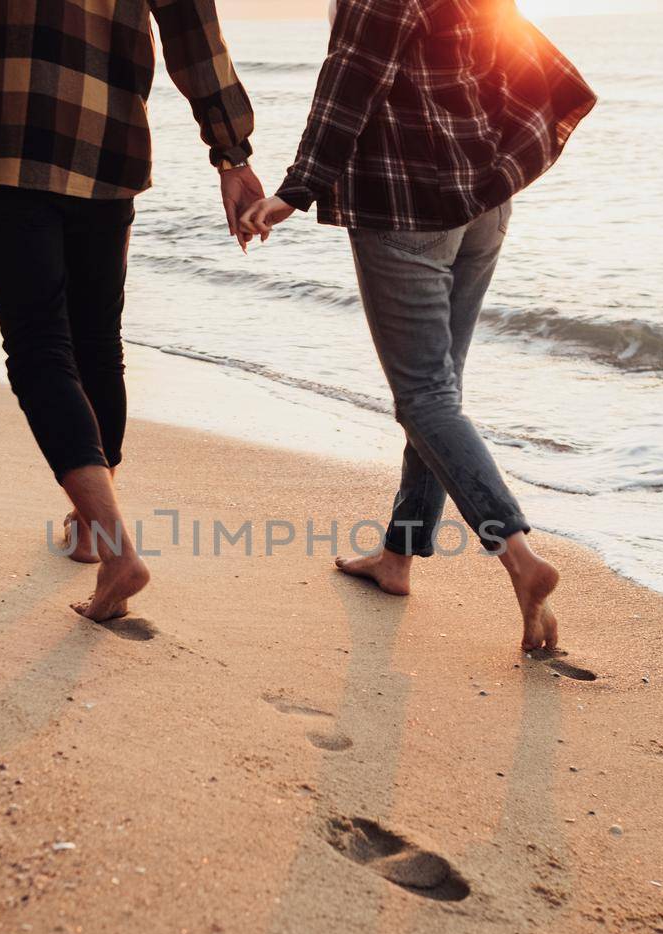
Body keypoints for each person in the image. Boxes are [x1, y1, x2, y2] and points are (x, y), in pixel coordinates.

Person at [0, 0, 265, 623]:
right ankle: (90, 531)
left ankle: (113, 548)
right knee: (95, 343)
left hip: (1, 133)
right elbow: (194, 31)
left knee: (38, 347)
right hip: (105, 140)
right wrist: (232, 154)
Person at [239, 0, 594, 653]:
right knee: (441, 392)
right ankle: (399, 555)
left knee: (426, 398)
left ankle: (518, 556)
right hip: (483, 197)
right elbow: (502, 55)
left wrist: (296, 189)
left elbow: (350, 80)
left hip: (408, 205)